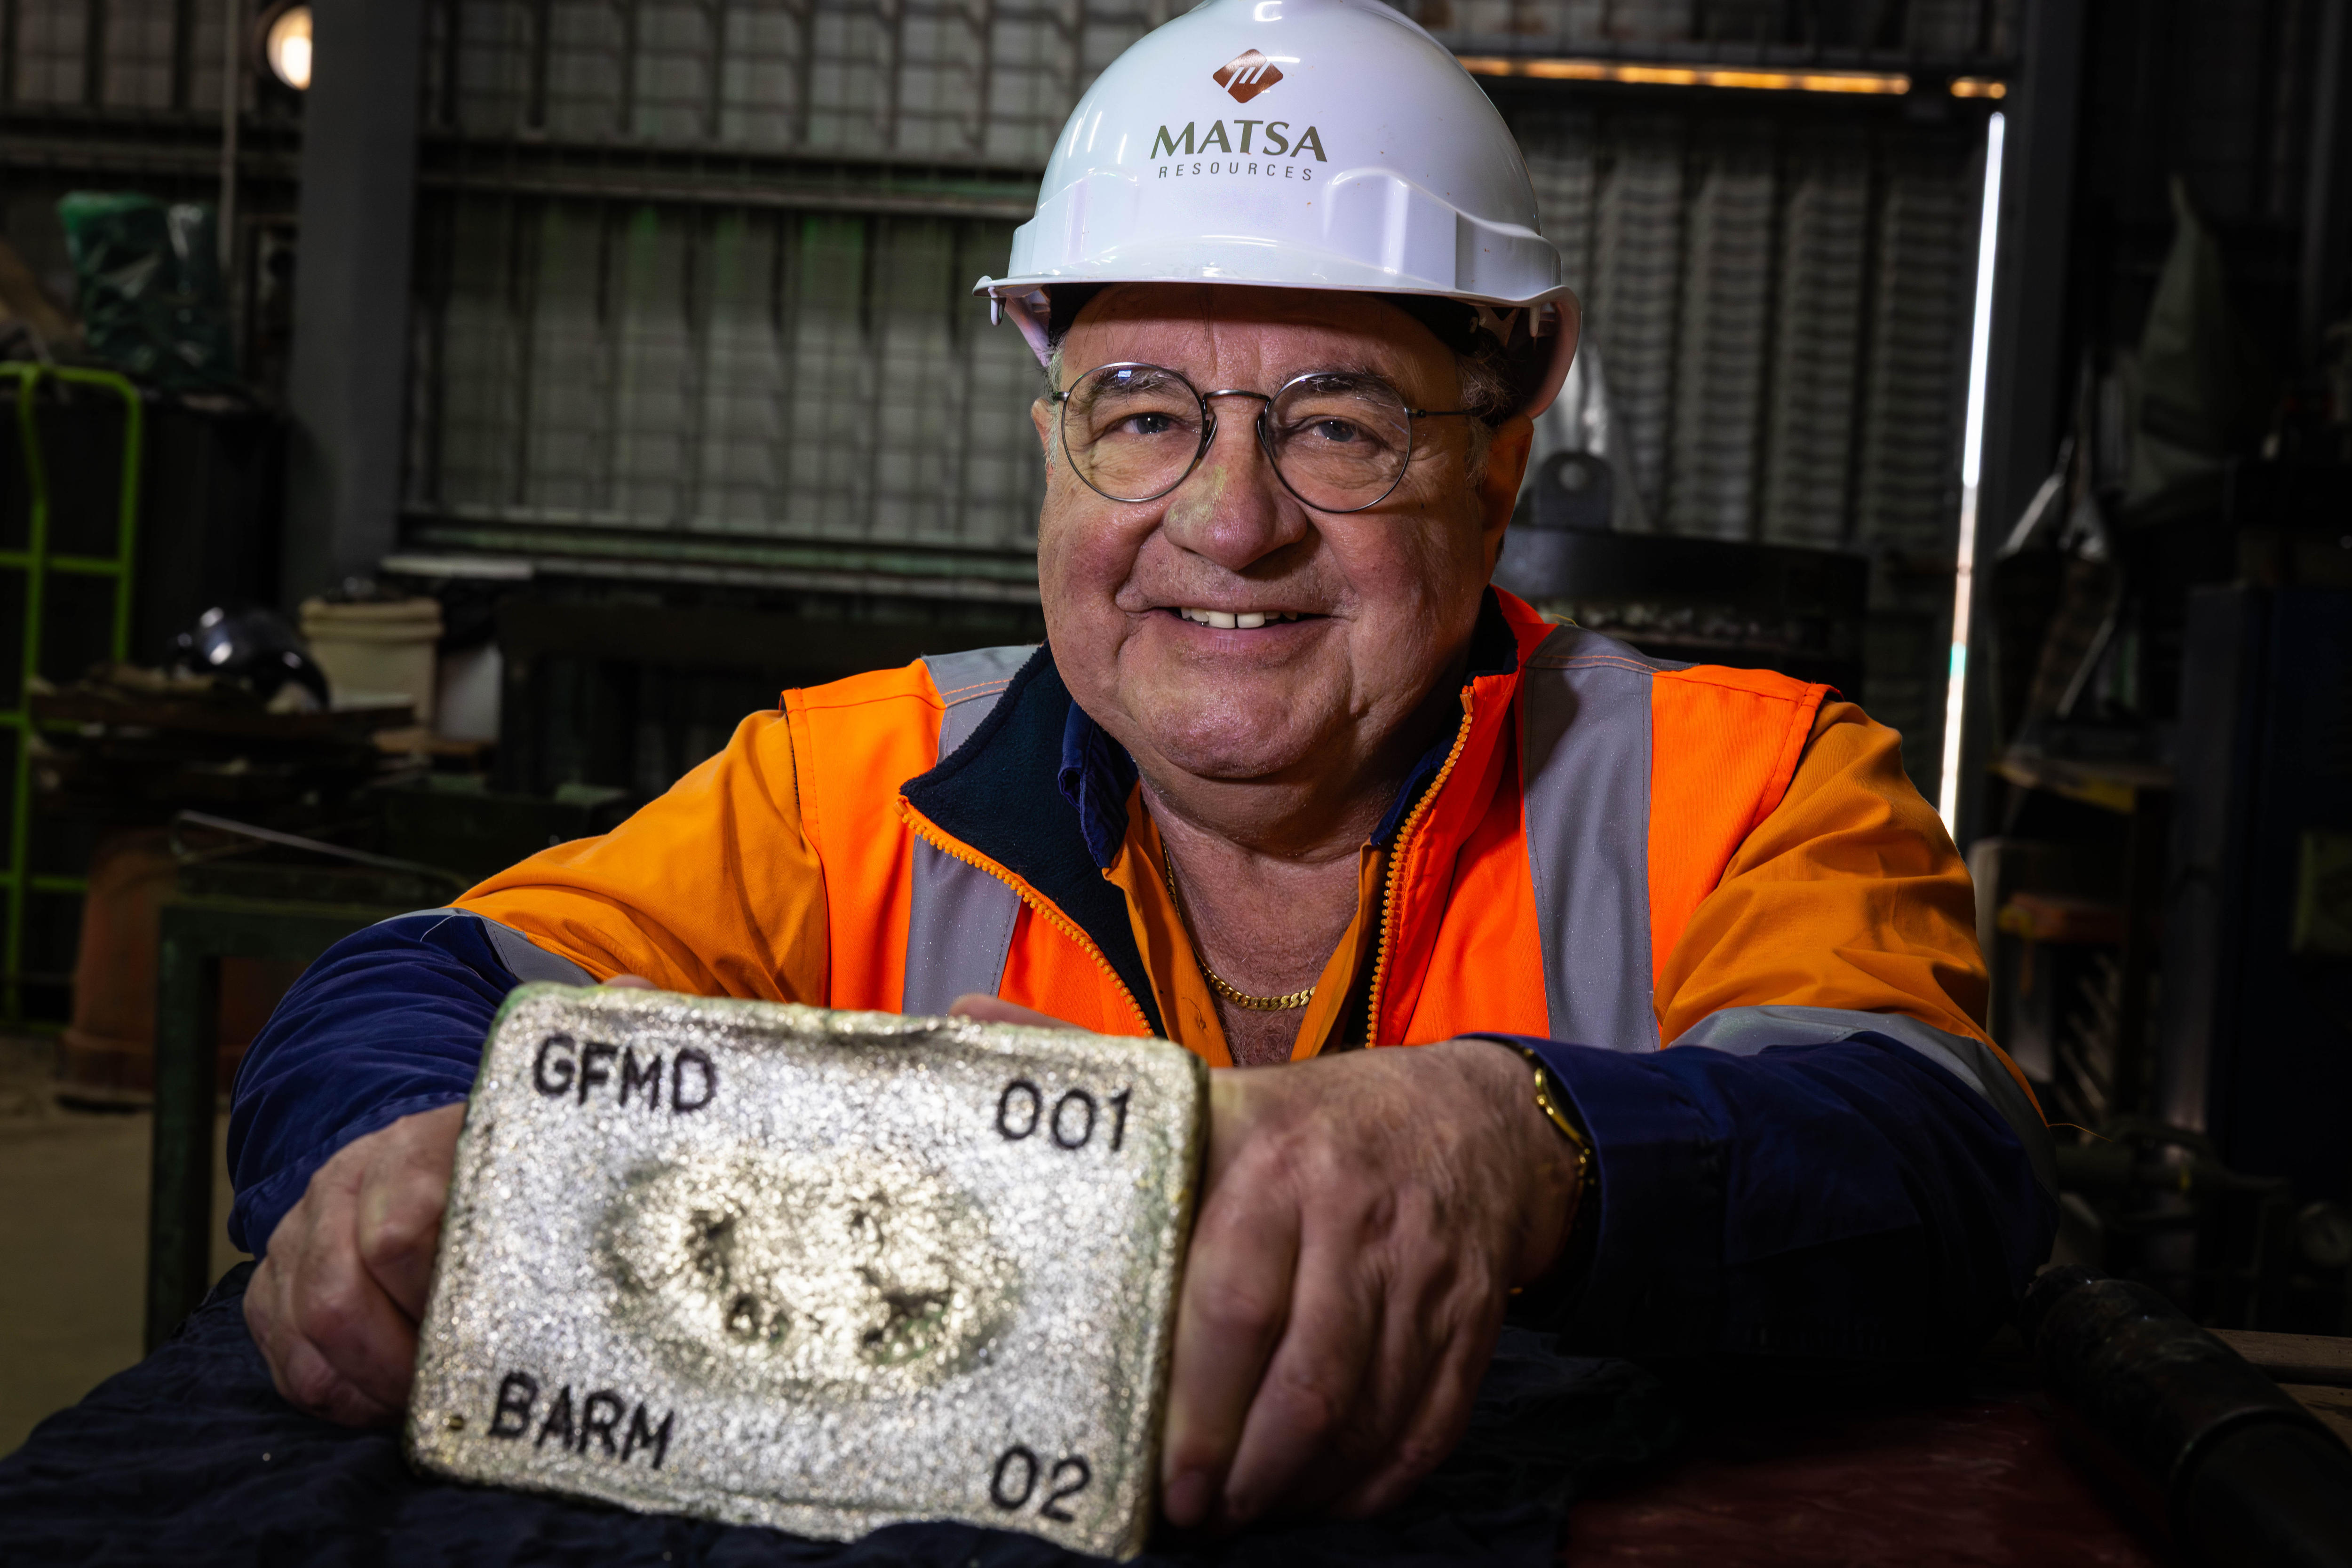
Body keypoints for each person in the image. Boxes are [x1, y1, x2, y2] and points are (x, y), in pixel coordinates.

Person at [230, 0, 2053, 1538]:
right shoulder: (846, 789)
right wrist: (385, 1159)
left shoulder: (1745, 789)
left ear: (1498, 450)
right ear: (1052, 438)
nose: (1227, 522)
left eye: (1338, 424)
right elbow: (415, 985)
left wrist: (1513, 1145)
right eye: (1141, 417)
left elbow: (1932, 1164)